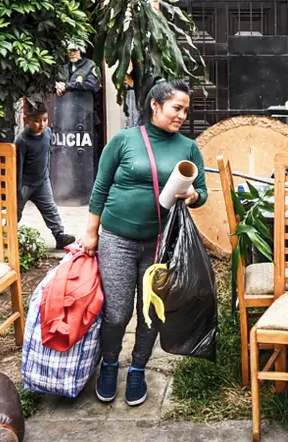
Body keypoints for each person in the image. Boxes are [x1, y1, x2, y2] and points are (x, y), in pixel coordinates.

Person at [80, 80, 207, 407]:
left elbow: (202, 192)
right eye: (176, 108)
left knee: (151, 312)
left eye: (185, 110)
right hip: (116, 239)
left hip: (161, 243)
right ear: (155, 105)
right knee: (118, 312)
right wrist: (91, 232)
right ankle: (109, 364)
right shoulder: (124, 140)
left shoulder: (188, 147)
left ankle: (137, 368)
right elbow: (100, 187)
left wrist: (192, 195)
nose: (182, 115)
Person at [15, 99, 75, 250]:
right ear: (25, 120)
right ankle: (7, 237)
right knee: (15, 212)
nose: (42, 124)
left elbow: (46, 154)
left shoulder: (47, 133)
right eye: (36, 121)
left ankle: (59, 235)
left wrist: (46, 175)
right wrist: (17, 189)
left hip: (41, 182)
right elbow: (17, 166)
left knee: (50, 209)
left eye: (45, 120)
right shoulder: (22, 141)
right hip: (25, 184)